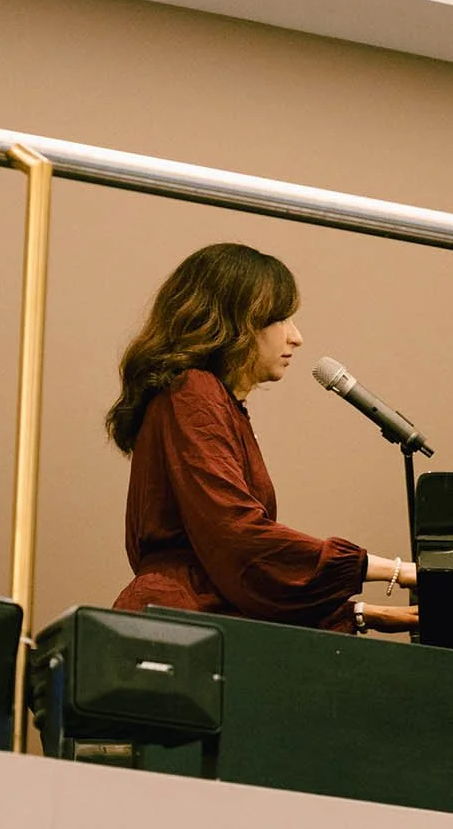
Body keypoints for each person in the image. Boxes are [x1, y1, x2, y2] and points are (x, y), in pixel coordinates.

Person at [108, 242, 417, 634]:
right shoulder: (193, 391)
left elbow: (238, 573)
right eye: (281, 319)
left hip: (194, 622)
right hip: (179, 629)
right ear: (236, 322)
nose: (296, 337)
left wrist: (359, 613)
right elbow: (238, 538)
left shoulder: (210, 400)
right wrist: (398, 571)